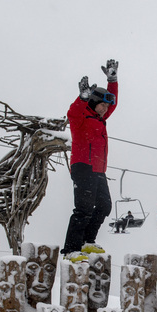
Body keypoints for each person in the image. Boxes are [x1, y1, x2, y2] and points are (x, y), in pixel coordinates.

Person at [62, 59, 119, 262]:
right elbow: (73, 112)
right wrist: (82, 97)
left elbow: (114, 103)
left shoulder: (100, 118)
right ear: (94, 103)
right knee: (84, 209)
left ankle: (87, 241)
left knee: (104, 206)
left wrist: (113, 80)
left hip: (98, 169)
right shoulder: (81, 117)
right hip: (83, 166)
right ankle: (71, 249)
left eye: (106, 106)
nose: (105, 109)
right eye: (102, 105)